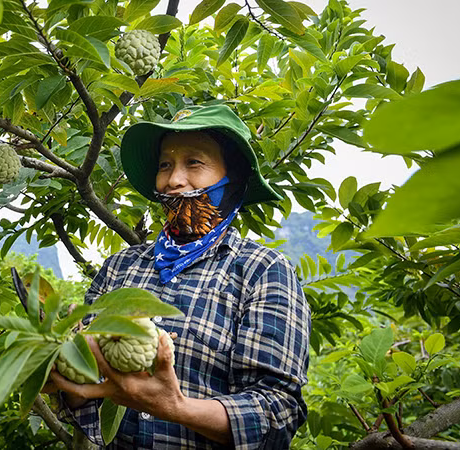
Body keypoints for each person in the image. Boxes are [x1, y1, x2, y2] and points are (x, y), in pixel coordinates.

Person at [47, 105, 311, 449]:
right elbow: (92, 394)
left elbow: (279, 413)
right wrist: (69, 379)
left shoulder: (263, 271)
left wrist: (177, 407)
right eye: (165, 165)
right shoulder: (119, 268)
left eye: (194, 163)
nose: (173, 180)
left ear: (234, 180)